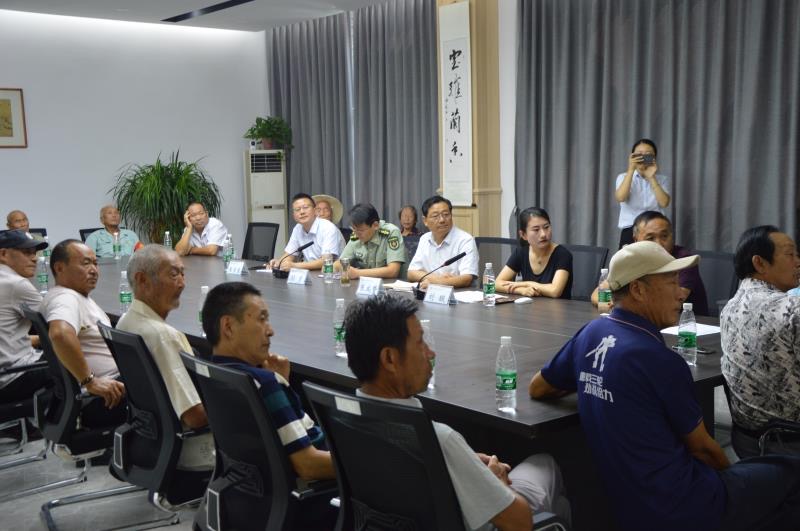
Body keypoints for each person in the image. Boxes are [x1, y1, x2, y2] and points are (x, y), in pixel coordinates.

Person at [529, 241, 800, 531]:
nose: (681, 292)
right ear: (638, 290)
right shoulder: (658, 359)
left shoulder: (591, 333)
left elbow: (539, 387)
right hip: (685, 507)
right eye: (671, 282)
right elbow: (704, 450)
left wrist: (594, 379)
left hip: (625, 505)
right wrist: (732, 487)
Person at [345, 294, 571, 530]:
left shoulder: (345, 417)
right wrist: (497, 482)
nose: (430, 353)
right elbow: (520, 522)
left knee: (558, 507)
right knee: (544, 466)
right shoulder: (440, 439)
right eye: (420, 343)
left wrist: (461, 461)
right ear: (390, 359)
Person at [201, 281, 334, 481]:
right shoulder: (264, 384)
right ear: (228, 327)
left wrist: (282, 384)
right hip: (320, 489)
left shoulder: (213, 372)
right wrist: (370, 466)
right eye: (261, 319)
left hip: (251, 488)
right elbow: (308, 465)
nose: (270, 331)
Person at [116, 245, 214, 471]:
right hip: (190, 450)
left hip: (151, 443)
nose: (182, 283)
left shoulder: (126, 321)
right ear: (142, 280)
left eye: (183, 274)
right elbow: (194, 417)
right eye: (173, 274)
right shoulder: (163, 337)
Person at [720, 225, 800, 456]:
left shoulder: (729, 308)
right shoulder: (791, 308)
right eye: (790, 254)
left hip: (746, 442)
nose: (798, 262)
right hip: (790, 444)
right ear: (760, 263)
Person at [41, 240, 126, 426]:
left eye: (95, 263)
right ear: (59, 268)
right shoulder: (66, 299)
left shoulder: (72, 294)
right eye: (86, 263)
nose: (94, 270)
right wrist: (90, 381)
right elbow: (60, 334)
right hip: (107, 395)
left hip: (109, 387)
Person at [591, 211, 709, 315]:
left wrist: (622, 301)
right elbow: (600, 291)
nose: (659, 243)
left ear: (672, 236)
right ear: (636, 240)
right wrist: (607, 305)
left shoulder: (684, 259)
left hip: (687, 323)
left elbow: (674, 299)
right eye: (650, 238)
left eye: (664, 236)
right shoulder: (632, 257)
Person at [0, 230, 51, 402]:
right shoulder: (16, 284)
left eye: (34, 253)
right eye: (26, 252)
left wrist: (39, 340)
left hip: (5, 371)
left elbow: (6, 336)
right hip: (12, 377)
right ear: (3, 254)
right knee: (77, 358)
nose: (34, 258)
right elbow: (59, 324)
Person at [495, 207, 572, 299]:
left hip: (559, 307)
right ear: (523, 235)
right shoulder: (521, 253)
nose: (543, 234)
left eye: (546, 227)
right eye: (536, 230)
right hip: (530, 306)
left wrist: (527, 284)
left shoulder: (562, 254)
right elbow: (496, 284)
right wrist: (520, 290)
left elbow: (555, 291)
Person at [407, 195, 478, 289]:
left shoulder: (465, 240)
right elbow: (411, 273)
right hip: (428, 292)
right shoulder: (424, 239)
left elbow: (466, 279)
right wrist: (438, 280)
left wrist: (435, 283)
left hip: (458, 294)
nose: (442, 220)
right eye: (435, 216)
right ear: (425, 221)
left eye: (446, 214)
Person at [614, 138, 671, 248]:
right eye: (639, 154)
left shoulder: (662, 179)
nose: (643, 157)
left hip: (656, 230)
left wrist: (652, 177)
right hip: (631, 229)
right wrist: (631, 170)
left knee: (656, 258)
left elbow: (664, 203)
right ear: (632, 157)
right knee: (629, 259)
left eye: (648, 155)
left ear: (654, 158)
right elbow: (621, 197)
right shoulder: (623, 177)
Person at [269, 193, 346, 271]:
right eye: (297, 209)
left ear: (314, 211)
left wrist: (294, 265)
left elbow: (326, 261)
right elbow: (289, 255)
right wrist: (279, 262)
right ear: (294, 215)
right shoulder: (298, 228)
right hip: (310, 273)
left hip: (332, 274)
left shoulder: (328, 227)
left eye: (305, 207)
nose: (302, 212)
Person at [335, 203, 406, 280]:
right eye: (354, 229)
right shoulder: (356, 235)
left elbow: (393, 271)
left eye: (361, 230)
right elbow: (338, 263)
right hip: (368, 285)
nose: (356, 233)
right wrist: (341, 267)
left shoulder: (391, 233)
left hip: (393, 285)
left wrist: (357, 273)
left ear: (375, 225)